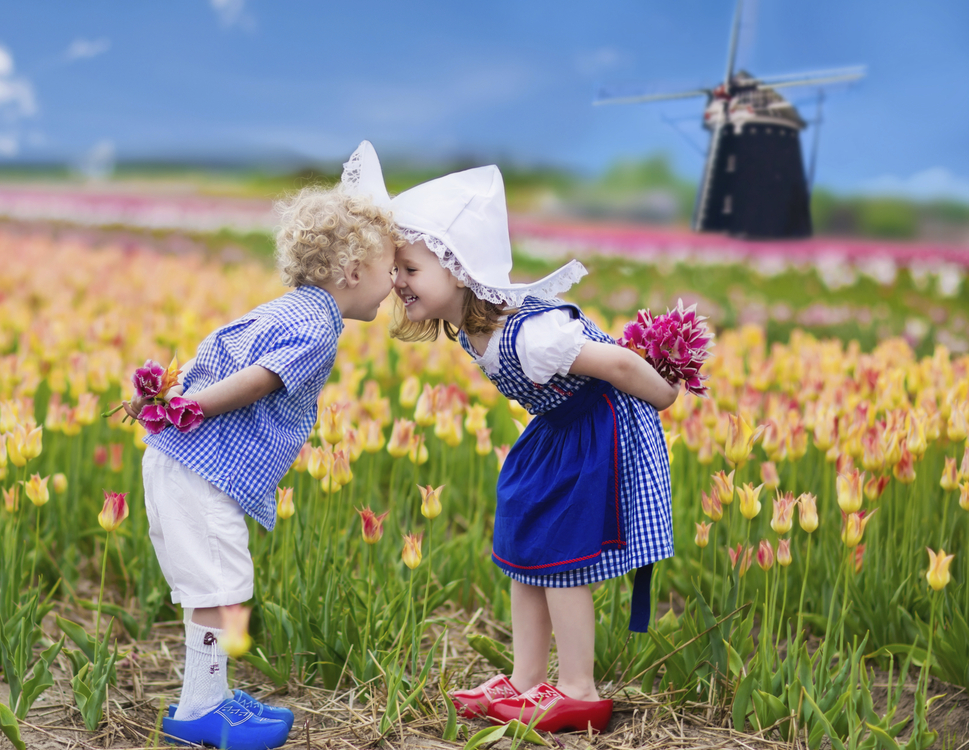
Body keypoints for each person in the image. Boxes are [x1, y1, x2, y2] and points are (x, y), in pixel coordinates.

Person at [375, 163, 679, 733]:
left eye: (410, 268)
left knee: (560, 556)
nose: (398, 281)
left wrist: (663, 394)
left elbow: (612, 361)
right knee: (525, 545)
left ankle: (578, 689)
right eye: (396, 269)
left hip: (592, 431)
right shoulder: (471, 328)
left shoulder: (532, 335)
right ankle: (524, 678)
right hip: (556, 432)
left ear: (460, 271)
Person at [122, 145, 400, 750]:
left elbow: (213, 352)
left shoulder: (284, 308)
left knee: (215, 589)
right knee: (222, 590)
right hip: (201, 469)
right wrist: (190, 406)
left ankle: (210, 697)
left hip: (182, 462)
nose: (396, 282)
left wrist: (164, 397)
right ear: (353, 271)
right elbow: (264, 378)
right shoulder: (316, 327)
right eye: (391, 268)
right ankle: (201, 712)